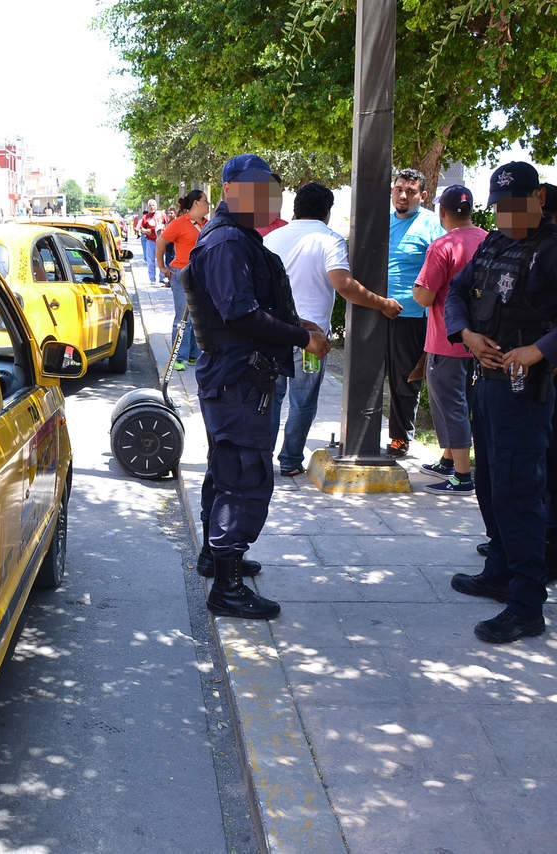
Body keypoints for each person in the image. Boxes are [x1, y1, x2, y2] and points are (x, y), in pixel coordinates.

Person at [444, 161, 557, 643]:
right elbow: (457, 293)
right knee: (491, 482)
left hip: (525, 389)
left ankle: (525, 605)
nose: (506, 215)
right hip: (487, 381)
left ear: (538, 199)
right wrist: (467, 334)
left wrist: (544, 350)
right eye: (498, 207)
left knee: (521, 491)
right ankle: (498, 569)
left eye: (515, 205)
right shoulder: (494, 243)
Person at [184, 153, 330, 620]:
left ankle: (217, 557)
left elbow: (248, 306)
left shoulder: (239, 239)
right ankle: (226, 586)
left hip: (239, 379)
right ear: (229, 191)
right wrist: (302, 335)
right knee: (242, 477)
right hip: (240, 380)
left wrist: (295, 322)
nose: (271, 199)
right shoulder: (228, 242)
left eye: (273, 191)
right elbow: (240, 313)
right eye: (259, 190)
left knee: (228, 469)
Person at [263, 182, 403, 476]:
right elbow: (343, 284)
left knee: (271, 397)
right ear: (327, 212)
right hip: (311, 340)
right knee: (302, 400)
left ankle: (262, 459)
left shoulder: (271, 239)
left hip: (273, 332)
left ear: (295, 208)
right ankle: (289, 461)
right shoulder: (330, 239)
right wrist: (381, 304)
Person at [412, 184, 487, 493]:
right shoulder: (488, 241)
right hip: (480, 342)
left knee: (449, 405)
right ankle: (446, 458)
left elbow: (426, 296)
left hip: (447, 339)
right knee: (464, 403)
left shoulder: (442, 247)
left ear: (442, 212)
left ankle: (462, 475)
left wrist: (415, 291)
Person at [384, 168, 445, 458]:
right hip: (376, 311)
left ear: (423, 195)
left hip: (411, 317)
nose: (403, 195)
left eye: (410, 191)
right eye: (399, 189)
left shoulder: (432, 225)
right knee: (370, 376)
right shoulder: (382, 222)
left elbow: (443, 267)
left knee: (404, 379)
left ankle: (399, 438)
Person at [157, 189, 210, 370]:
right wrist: (162, 267)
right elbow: (161, 242)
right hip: (181, 273)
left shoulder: (207, 224)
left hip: (201, 275)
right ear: (196, 203)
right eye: (205, 201)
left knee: (200, 316)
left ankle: (195, 354)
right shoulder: (180, 223)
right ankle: (178, 357)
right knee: (182, 317)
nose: (208, 204)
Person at [137, 200, 167, 285]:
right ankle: (152, 279)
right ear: (148, 207)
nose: (152, 207)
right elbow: (141, 229)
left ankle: (162, 277)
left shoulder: (161, 214)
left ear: (156, 206)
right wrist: (147, 231)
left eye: (153, 205)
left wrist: (163, 228)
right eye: (150, 205)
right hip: (150, 241)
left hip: (161, 240)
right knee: (150, 261)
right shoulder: (145, 217)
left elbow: (167, 223)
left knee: (162, 259)